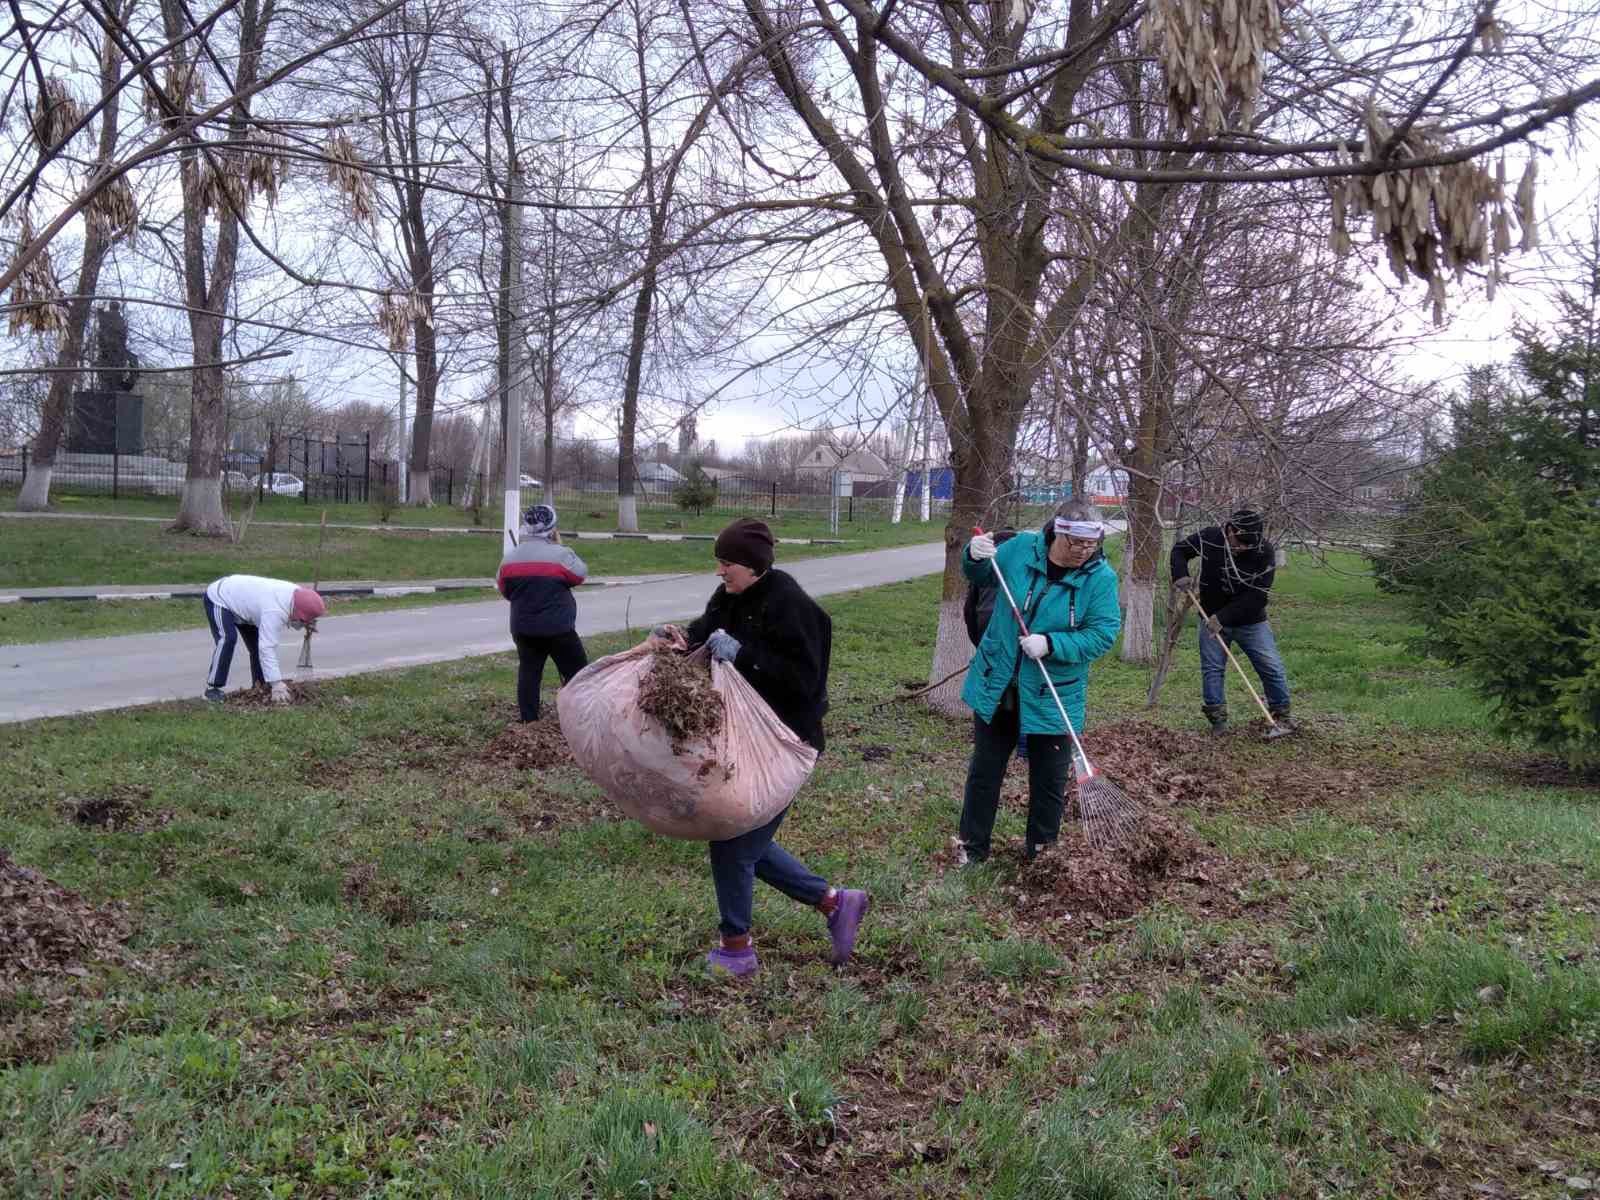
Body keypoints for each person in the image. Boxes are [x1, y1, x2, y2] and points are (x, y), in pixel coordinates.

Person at [651, 516, 868, 979]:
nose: (720, 572)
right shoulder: (729, 596)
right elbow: (704, 630)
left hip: (786, 743)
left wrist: (744, 654)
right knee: (745, 839)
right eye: (719, 562)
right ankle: (835, 902)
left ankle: (737, 951)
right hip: (743, 741)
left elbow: (804, 682)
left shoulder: (789, 604)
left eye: (727, 563)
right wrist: (677, 639)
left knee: (732, 841)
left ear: (753, 565)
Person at [957, 500, 1122, 864]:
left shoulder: (1100, 579)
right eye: (1075, 543)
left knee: (1049, 781)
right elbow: (980, 576)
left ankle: (1040, 855)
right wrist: (974, 555)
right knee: (985, 771)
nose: (1083, 551)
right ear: (1056, 532)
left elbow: (1103, 634)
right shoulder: (1018, 550)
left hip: (1053, 691)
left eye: (1091, 544)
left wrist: (1052, 643)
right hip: (998, 681)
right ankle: (972, 849)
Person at [1170, 507, 1291, 734]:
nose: (1243, 547)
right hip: (1209, 616)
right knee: (1213, 669)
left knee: (1270, 666)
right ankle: (1218, 722)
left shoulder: (1264, 551)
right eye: (1240, 541)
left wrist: (1223, 618)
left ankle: (1282, 716)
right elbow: (1180, 550)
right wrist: (1181, 575)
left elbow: (1257, 596)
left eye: (1249, 544)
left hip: (1251, 622)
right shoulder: (1210, 538)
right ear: (1229, 530)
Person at [496, 504, 589, 723]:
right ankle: (581, 718)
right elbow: (580, 575)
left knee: (529, 673)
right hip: (559, 629)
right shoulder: (561, 555)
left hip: (523, 629)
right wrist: (561, 548)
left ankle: (529, 722)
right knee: (578, 674)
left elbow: (504, 590)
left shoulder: (509, 559)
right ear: (553, 528)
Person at [202, 574, 326, 704]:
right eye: (302, 620)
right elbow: (267, 647)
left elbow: (298, 615)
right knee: (228, 639)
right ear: (296, 611)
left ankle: (260, 685)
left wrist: (307, 622)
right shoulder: (274, 611)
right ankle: (212, 688)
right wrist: (277, 683)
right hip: (221, 597)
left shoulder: (299, 596)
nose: (301, 622)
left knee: (256, 646)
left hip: (246, 606)